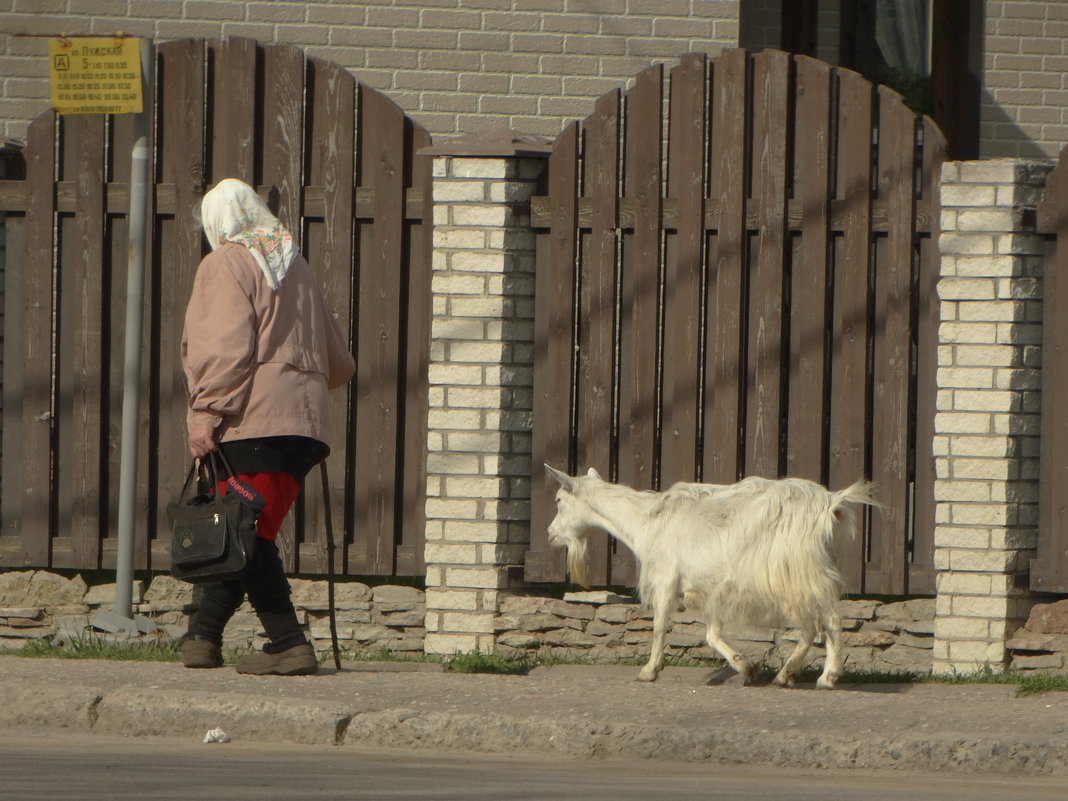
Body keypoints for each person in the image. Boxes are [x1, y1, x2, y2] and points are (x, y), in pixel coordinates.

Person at [178, 178, 355, 676]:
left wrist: (206, 413)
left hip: (251, 420)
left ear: (218, 223)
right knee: (247, 533)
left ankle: (288, 643)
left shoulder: (225, 264)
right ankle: (202, 639)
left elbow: (224, 346)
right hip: (304, 425)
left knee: (244, 535)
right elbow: (340, 363)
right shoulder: (295, 266)